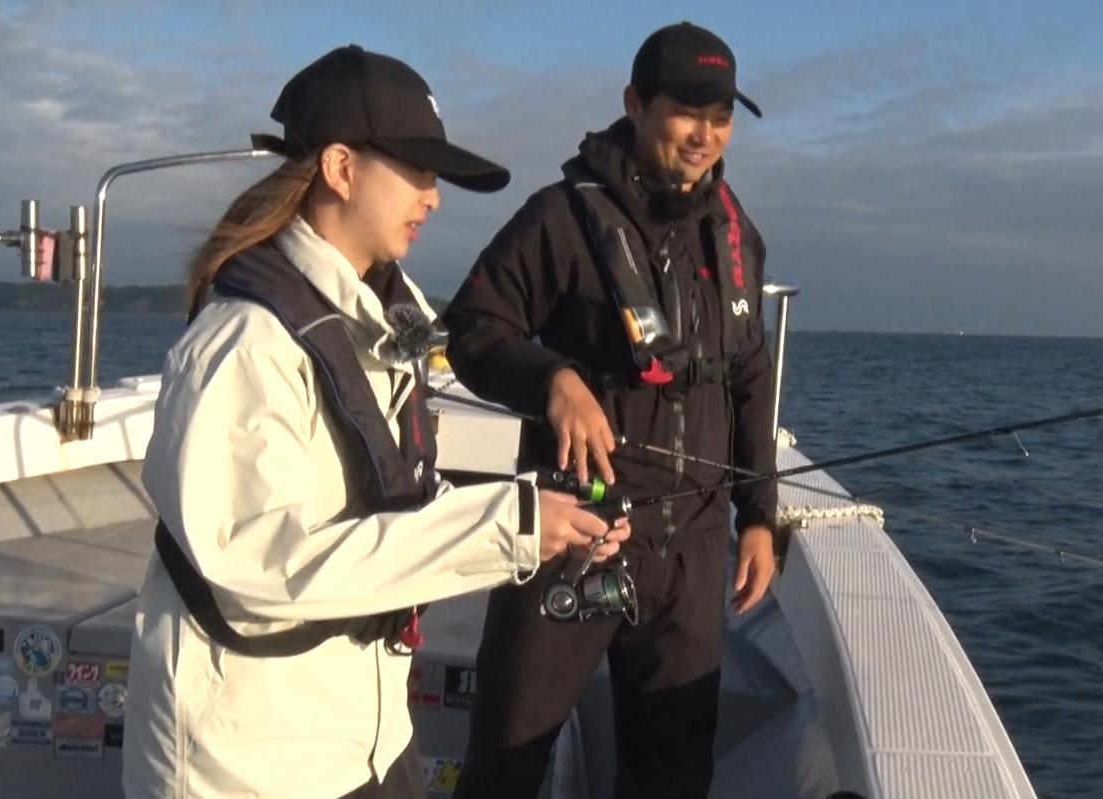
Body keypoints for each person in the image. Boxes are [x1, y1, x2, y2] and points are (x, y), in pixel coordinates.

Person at [122, 45, 627, 799]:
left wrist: (548, 519)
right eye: (418, 170)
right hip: (251, 763)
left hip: (369, 736)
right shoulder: (243, 345)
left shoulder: (381, 319)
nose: (434, 197)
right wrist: (510, 526)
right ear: (340, 168)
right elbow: (261, 563)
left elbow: (394, 487)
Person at [443, 22, 778, 799]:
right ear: (634, 104)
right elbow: (472, 328)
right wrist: (552, 378)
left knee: (673, 774)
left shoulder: (737, 234)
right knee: (506, 758)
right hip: (576, 530)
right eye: (685, 112)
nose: (704, 135)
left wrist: (760, 515)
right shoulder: (558, 218)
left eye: (721, 117)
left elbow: (749, 374)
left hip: (693, 546)